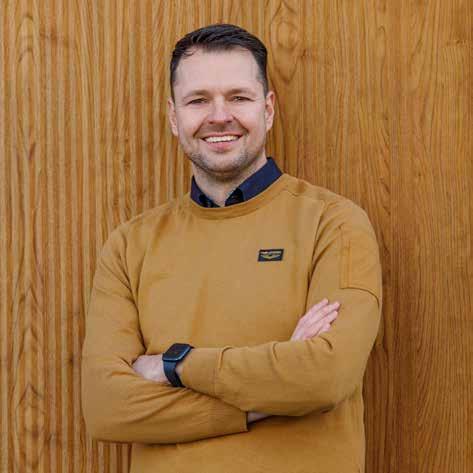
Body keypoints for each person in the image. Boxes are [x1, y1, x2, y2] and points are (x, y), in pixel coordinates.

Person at [81, 24, 382, 473]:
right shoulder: (130, 245)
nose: (219, 116)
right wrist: (263, 399)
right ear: (173, 116)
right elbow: (106, 407)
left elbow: (325, 376)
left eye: (238, 97)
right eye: (198, 100)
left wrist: (173, 366)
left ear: (268, 109)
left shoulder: (333, 223)